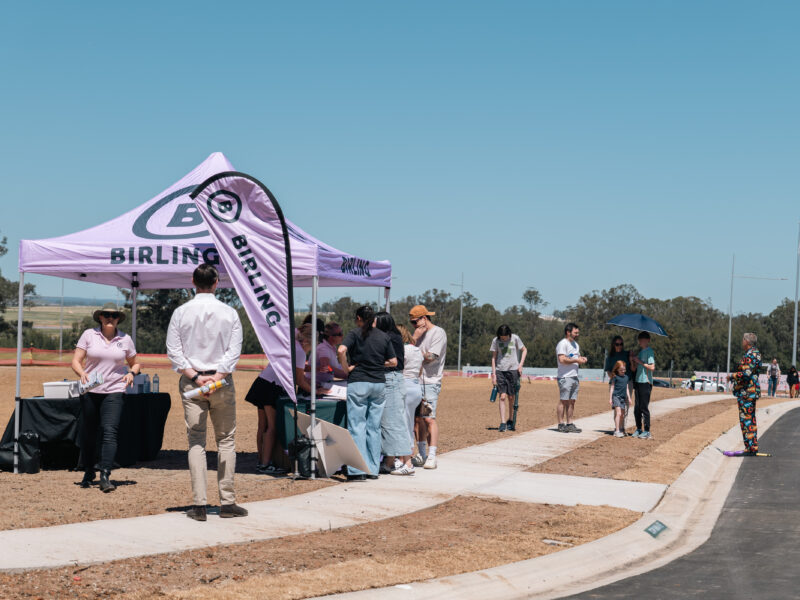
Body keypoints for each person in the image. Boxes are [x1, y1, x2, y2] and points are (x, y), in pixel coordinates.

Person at [166, 264, 246, 522]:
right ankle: (228, 501)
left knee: (196, 441)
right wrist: (218, 377)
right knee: (226, 440)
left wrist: (198, 377)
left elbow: (174, 352)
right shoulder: (229, 313)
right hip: (221, 382)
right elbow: (234, 351)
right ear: (216, 282)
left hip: (193, 382)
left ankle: (199, 504)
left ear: (193, 281)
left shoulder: (180, 312)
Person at [71, 303, 140, 493]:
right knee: (89, 433)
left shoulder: (125, 339)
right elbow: (76, 361)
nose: (110, 318)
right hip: (91, 390)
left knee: (110, 431)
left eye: (114, 316)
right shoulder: (88, 335)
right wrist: (82, 373)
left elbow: (135, 363)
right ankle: (88, 470)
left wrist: (132, 373)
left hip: (115, 390)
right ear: (100, 317)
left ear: (118, 319)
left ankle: (105, 474)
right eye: (106, 315)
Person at [245, 324, 325, 475]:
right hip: (273, 387)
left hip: (262, 382)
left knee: (262, 426)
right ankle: (265, 464)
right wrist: (316, 391)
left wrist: (310, 371)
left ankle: (261, 461)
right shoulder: (300, 352)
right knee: (272, 427)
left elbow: (293, 368)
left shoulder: (291, 345)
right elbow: (300, 381)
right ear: (308, 342)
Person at [337, 305, 396, 481]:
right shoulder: (384, 336)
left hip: (359, 382)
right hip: (378, 383)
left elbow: (341, 350)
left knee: (357, 426)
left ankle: (357, 470)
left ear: (359, 318)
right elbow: (393, 361)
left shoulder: (354, 334)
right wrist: (377, 363)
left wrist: (346, 367)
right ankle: (372, 469)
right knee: (374, 427)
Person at [375, 312, 414, 476]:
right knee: (389, 423)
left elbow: (393, 362)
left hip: (392, 379)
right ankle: (390, 462)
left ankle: (408, 462)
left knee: (396, 423)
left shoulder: (389, 337)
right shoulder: (394, 336)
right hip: (393, 380)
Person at [409, 305, 447, 469]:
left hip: (431, 381)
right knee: (418, 420)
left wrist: (415, 350)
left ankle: (432, 455)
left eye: (414, 322)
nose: (414, 326)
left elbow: (432, 356)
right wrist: (414, 339)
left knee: (429, 418)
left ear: (424, 318)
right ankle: (422, 453)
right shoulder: (417, 335)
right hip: (416, 380)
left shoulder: (438, 332)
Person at [490, 324, 527, 432]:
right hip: (500, 370)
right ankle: (502, 422)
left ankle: (510, 420)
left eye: (505, 337)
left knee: (511, 397)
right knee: (502, 397)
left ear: (509, 334)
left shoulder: (515, 338)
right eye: (501, 337)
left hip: (513, 370)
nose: (503, 339)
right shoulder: (495, 341)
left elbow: (524, 350)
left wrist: (520, 365)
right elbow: (494, 357)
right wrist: (494, 374)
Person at [729, 332, 762, 454]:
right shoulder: (755, 353)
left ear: (747, 342)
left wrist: (732, 376)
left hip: (747, 392)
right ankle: (752, 447)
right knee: (750, 419)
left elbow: (746, 374)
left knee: (746, 420)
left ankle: (750, 448)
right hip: (749, 392)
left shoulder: (751, 355)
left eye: (743, 339)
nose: (742, 341)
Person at [555, 322, 587, 433]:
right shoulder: (562, 344)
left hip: (574, 377)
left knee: (572, 401)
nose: (577, 334)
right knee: (563, 401)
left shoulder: (575, 345)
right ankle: (560, 424)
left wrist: (581, 358)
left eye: (578, 332)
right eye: (575, 332)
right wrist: (576, 360)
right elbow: (562, 359)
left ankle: (569, 423)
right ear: (568, 332)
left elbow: (575, 356)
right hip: (565, 377)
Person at [398, 324, 423, 456]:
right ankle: (410, 451)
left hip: (405, 386)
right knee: (410, 422)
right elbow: (420, 371)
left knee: (403, 423)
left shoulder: (402, 350)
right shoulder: (417, 350)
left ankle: (406, 455)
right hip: (416, 387)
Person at [604, 336, 633, 430]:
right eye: (617, 344)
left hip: (627, 383)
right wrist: (614, 379)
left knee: (625, 407)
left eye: (621, 344)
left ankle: (622, 427)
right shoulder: (610, 357)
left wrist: (632, 358)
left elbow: (632, 367)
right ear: (613, 345)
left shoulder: (627, 354)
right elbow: (608, 370)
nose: (619, 346)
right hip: (615, 384)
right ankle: (617, 428)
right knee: (617, 407)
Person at [630, 331, 655, 439]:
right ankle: (639, 428)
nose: (641, 341)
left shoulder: (649, 352)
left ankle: (647, 431)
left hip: (646, 382)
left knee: (644, 407)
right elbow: (635, 367)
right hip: (638, 381)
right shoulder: (640, 352)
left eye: (643, 339)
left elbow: (652, 367)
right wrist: (633, 360)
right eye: (639, 340)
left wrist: (639, 361)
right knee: (637, 408)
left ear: (648, 340)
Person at [608, 361, 632, 437]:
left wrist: (629, 398)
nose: (623, 371)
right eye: (621, 370)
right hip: (616, 397)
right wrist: (610, 398)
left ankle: (621, 429)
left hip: (623, 398)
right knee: (618, 413)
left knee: (622, 414)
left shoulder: (626, 377)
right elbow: (612, 387)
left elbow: (627, 388)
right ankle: (617, 430)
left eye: (624, 369)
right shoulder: (615, 377)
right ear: (617, 369)